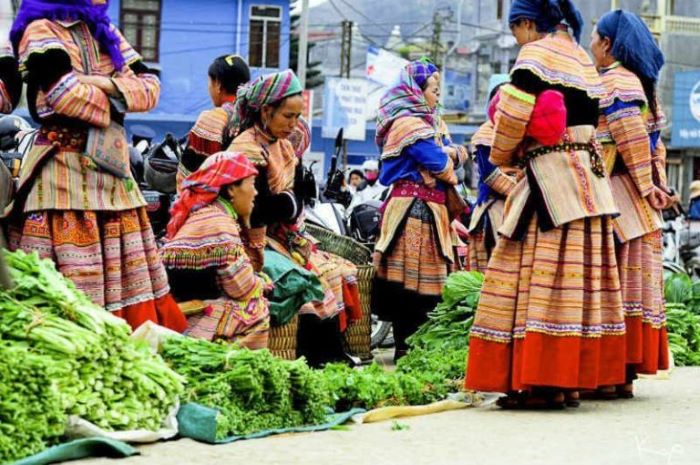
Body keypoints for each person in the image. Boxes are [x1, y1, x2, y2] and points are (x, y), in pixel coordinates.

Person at [465, 0, 626, 409]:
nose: (516, 38)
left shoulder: (535, 54)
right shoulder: (582, 59)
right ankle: (569, 382)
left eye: (515, 29)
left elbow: (514, 113)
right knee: (577, 282)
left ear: (525, 23)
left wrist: (503, 153)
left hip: (549, 180)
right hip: (589, 181)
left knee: (535, 275)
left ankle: (541, 383)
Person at [4, 0, 187, 332]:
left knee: (131, 285)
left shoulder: (105, 31)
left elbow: (152, 88)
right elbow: (63, 95)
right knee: (66, 299)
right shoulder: (40, 28)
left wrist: (101, 84)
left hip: (114, 176)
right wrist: (119, 99)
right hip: (63, 176)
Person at [227, 69, 362, 366]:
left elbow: (294, 200)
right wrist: (289, 203)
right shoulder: (246, 148)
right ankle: (318, 362)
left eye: (298, 116)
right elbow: (255, 210)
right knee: (306, 282)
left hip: (281, 237)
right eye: (287, 116)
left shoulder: (284, 146)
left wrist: (289, 204)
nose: (294, 124)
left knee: (331, 276)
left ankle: (330, 359)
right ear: (266, 111)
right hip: (248, 241)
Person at [591, 9, 674, 398]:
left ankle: (609, 375)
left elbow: (631, 142)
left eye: (594, 37)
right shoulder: (642, 85)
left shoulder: (617, 83)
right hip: (638, 203)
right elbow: (654, 147)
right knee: (629, 291)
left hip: (618, 196)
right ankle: (621, 376)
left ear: (608, 44)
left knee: (613, 289)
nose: (589, 44)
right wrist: (655, 186)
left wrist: (645, 185)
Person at [373, 59, 468, 361]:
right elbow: (441, 164)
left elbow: (447, 160)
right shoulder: (406, 124)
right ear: (415, 91)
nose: (438, 96)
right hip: (413, 212)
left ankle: (419, 347)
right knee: (409, 285)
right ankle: (406, 346)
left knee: (431, 285)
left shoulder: (433, 122)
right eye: (433, 90)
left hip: (434, 211)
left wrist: (449, 156)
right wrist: (451, 156)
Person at [161, 152, 271, 348]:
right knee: (256, 309)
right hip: (192, 311)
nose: (255, 193)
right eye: (251, 184)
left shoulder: (210, 214)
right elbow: (241, 288)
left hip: (190, 301)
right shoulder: (219, 222)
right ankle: (230, 363)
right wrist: (261, 283)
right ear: (231, 189)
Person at [177, 54, 251, 189]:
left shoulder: (212, 119)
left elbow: (191, 173)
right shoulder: (253, 115)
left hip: (217, 204)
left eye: (209, 81)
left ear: (218, 84)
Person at [468, 80, 517, 273]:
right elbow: (491, 176)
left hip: (515, 207)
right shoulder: (485, 134)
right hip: (493, 207)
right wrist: (523, 192)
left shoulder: (517, 133)